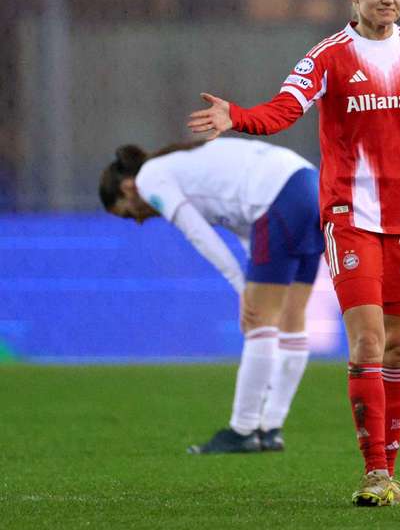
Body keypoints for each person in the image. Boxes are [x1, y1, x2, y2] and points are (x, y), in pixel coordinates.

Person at [186, 0, 400, 506]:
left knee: (399, 351)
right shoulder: (330, 56)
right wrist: (237, 115)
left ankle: (391, 473)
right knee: (368, 342)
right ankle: (374, 473)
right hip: (350, 217)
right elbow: (287, 108)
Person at [99, 138, 324, 453]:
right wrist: (250, 279)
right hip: (312, 185)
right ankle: (270, 428)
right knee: (291, 318)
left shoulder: (150, 177)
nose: (137, 220)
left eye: (126, 214)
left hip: (279, 197)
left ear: (126, 188)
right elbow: (247, 230)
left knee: (258, 321)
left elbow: (198, 233)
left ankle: (243, 430)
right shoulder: (180, 165)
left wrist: (241, 285)